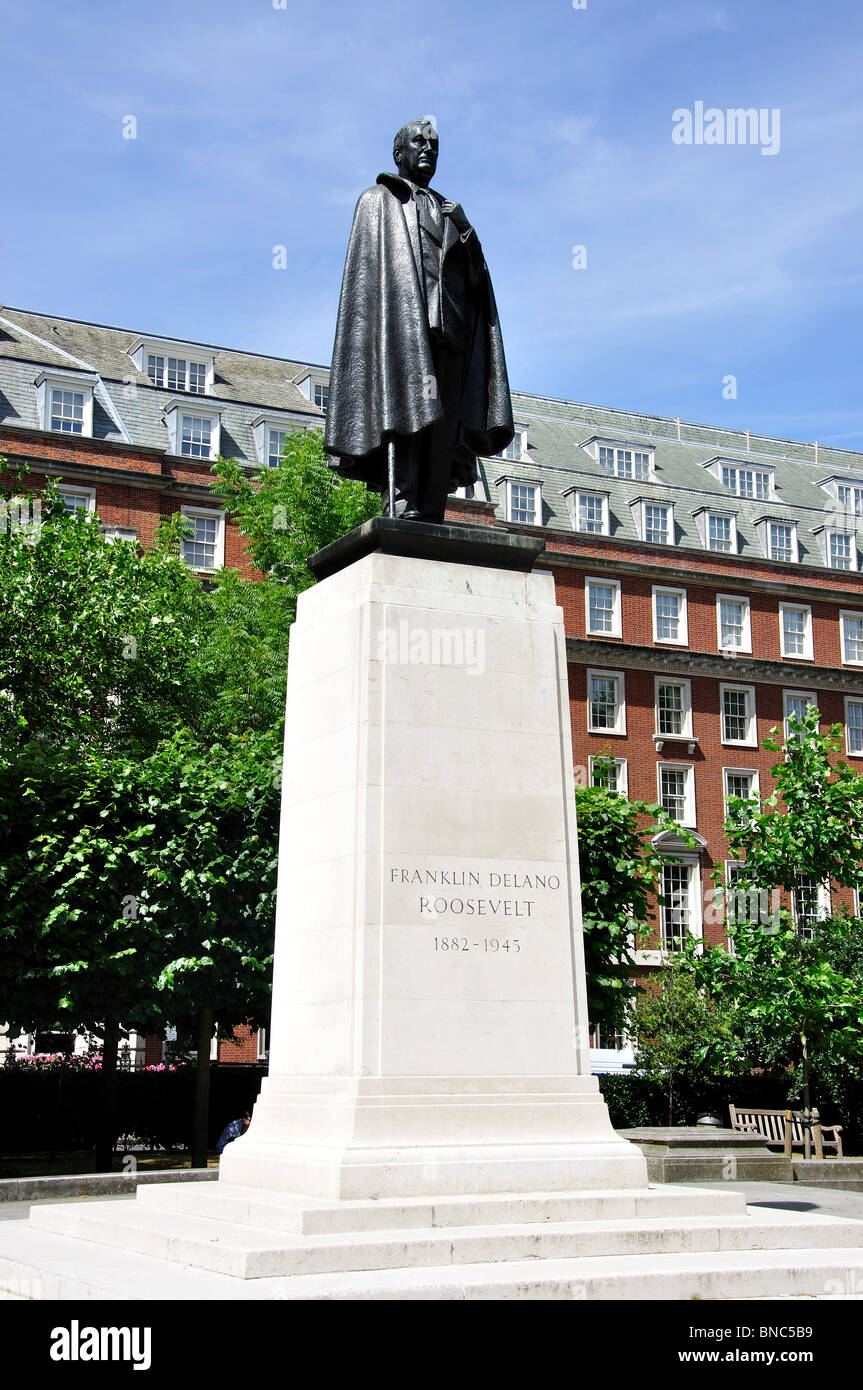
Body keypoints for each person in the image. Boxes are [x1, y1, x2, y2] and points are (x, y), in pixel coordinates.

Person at [324, 118, 514, 524]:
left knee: (443, 422)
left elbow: (479, 281)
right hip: (403, 331)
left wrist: (467, 231)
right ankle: (401, 498)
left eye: (435, 145)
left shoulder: (451, 212)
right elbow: (368, 281)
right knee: (407, 413)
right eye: (419, 142)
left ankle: (430, 507)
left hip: (453, 332)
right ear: (399, 153)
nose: (428, 150)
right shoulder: (378, 200)